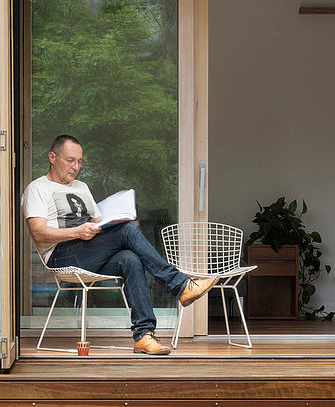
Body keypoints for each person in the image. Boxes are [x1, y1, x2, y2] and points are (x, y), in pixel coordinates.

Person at [22, 134, 214, 356]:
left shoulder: (82, 187)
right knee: (127, 233)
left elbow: (96, 223)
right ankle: (180, 285)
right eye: (70, 160)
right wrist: (78, 231)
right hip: (60, 255)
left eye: (80, 162)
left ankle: (143, 335)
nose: (76, 167)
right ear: (52, 157)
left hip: (88, 251)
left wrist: (115, 216)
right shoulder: (37, 189)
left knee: (129, 259)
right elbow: (37, 233)